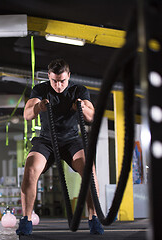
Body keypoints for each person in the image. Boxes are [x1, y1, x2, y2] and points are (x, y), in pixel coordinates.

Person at [16, 59, 104, 235]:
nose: (58, 85)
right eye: (54, 80)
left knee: (89, 170)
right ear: (48, 76)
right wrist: (38, 107)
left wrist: (80, 107)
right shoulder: (40, 90)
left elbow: (92, 116)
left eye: (62, 81)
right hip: (47, 140)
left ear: (68, 76)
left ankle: (93, 218)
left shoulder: (79, 90)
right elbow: (26, 114)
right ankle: (26, 219)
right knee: (31, 168)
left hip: (72, 140)